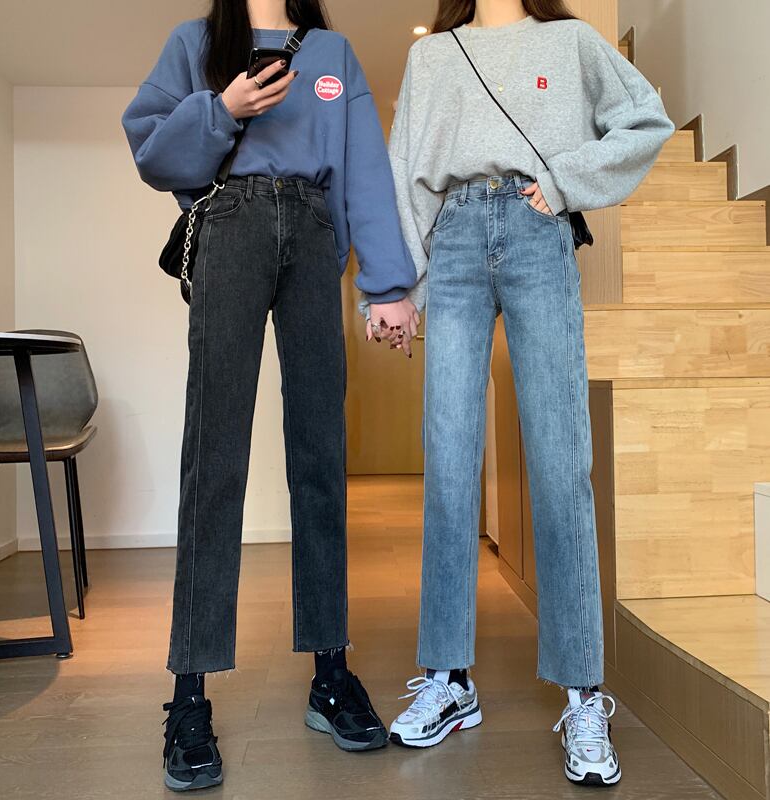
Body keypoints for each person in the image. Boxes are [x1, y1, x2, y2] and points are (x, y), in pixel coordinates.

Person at [123, 0, 419, 791]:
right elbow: (151, 149)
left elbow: (364, 168)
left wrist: (387, 283)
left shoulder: (332, 52)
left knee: (320, 454)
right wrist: (221, 108)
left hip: (315, 233)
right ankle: (189, 694)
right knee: (213, 457)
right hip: (230, 226)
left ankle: (331, 673)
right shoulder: (195, 42)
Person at [384, 0, 674, 786]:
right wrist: (397, 286)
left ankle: (583, 694)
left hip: (538, 233)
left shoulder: (572, 41)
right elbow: (405, 171)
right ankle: (449, 679)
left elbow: (646, 120)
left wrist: (563, 180)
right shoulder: (433, 56)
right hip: (453, 238)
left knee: (559, 462)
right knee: (449, 462)